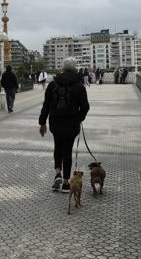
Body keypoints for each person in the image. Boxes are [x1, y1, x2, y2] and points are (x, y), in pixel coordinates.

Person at [38, 57, 90, 193]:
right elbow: (85, 106)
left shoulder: (53, 84)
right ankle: (66, 183)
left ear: (62, 68)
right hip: (72, 123)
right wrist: (79, 118)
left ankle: (57, 173)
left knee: (58, 147)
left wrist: (42, 122)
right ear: (75, 68)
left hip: (56, 122)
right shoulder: (79, 85)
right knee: (68, 151)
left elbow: (46, 105)